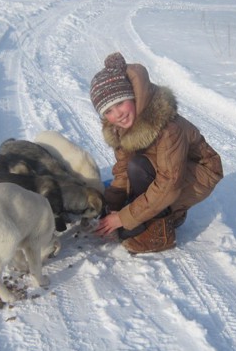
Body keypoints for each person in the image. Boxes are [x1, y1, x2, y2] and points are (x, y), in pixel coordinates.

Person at [90, 52, 223, 254]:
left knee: (139, 173)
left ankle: (160, 233)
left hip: (198, 174)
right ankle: (165, 212)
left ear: (133, 96)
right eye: (108, 111)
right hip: (163, 168)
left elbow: (169, 183)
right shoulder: (120, 128)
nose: (117, 114)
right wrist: (112, 206)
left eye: (120, 103)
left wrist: (122, 217)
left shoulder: (168, 128)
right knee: (127, 224)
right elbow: (123, 170)